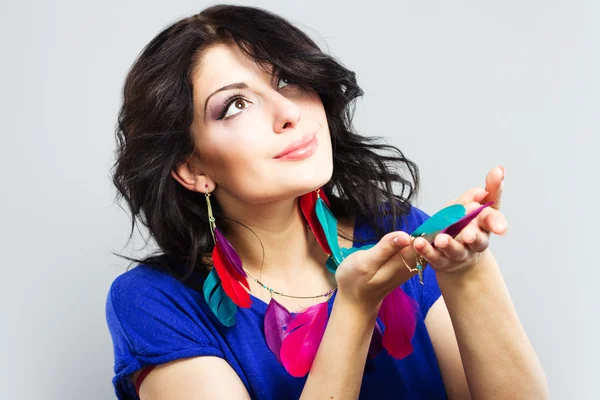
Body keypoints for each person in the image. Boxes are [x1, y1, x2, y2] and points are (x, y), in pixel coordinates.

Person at [106, 4, 549, 399]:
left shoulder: (398, 231)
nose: (289, 112)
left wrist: (466, 272)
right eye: (237, 104)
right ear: (192, 169)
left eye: (287, 79)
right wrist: (354, 308)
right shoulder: (155, 302)